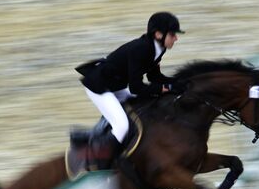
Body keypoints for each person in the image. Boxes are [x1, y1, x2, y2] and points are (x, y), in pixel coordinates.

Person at [75, 11, 184, 170]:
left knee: (146, 104)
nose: (176, 38)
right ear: (159, 34)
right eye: (173, 34)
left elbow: (154, 77)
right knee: (122, 126)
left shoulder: (159, 48)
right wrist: (167, 88)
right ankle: (102, 167)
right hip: (99, 87)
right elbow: (136, 87)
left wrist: (179, 82)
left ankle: (99, 135)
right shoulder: (141, 49)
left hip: (116, 86)